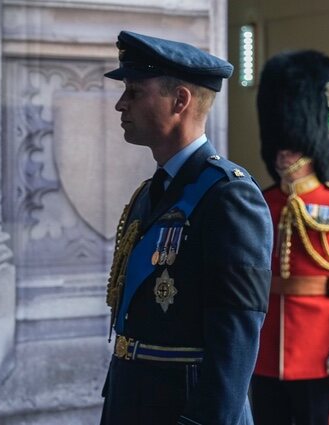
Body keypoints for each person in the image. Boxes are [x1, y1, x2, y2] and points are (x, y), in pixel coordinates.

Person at [99, 31, 273, 425]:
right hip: (132, 402)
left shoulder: (229, 196)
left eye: (134, 92)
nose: (120, 104)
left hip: (185, 409)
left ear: (180, 100)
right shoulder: (151, 192)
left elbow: (237, 335)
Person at [251, 50, 329, 425]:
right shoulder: (260, 201)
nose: (282, 152)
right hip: (264, 350)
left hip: (318, 350)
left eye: (291, 142)